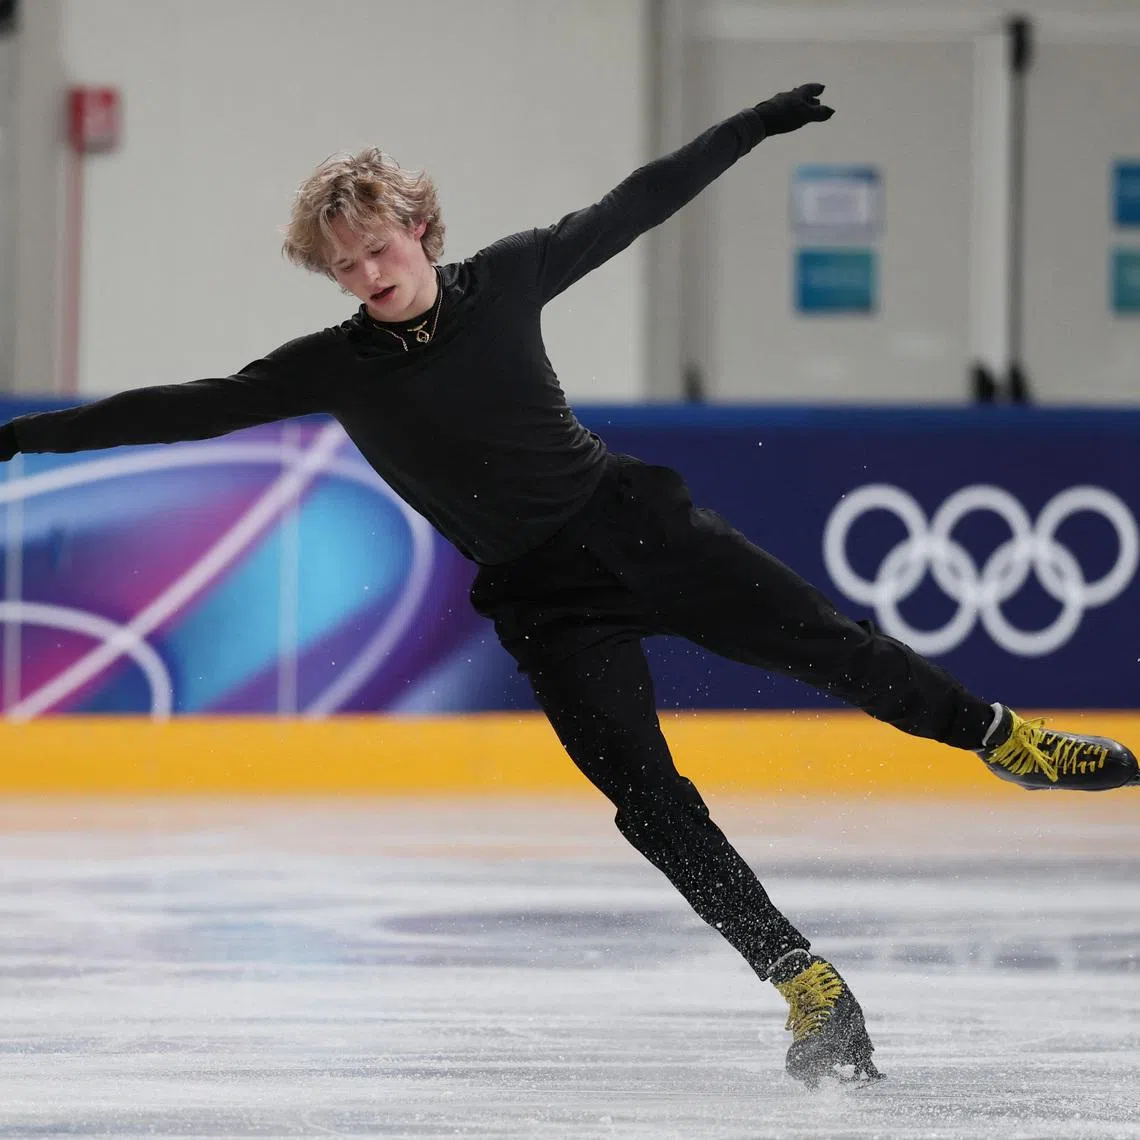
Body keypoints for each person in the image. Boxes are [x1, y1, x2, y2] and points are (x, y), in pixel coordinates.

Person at [1, 84, 1135, 1088]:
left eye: (378, 250)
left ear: (421, 230)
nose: (366, 276)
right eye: (343, 267)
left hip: (635, 525)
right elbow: (179, 408)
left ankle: (1002, 740)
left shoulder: (509, 277)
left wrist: (750, 125)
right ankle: (803, 982)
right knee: (649, 804)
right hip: (543, 600)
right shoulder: (326, 369)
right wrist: (21, 437)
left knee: (830, 645)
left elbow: (640, 201)